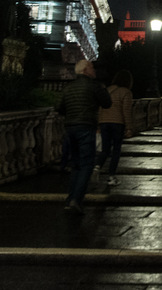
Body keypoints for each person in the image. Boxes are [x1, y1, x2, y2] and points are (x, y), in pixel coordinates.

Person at [55, 60, 112, 214]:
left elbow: (59, 107)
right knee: (87, 164)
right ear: (86, 70)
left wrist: (72, 114)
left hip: (70, 128)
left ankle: (71, 199)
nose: (94, 71)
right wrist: (104, 89)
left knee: (76, 164)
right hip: (86, 127)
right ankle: (76, 199)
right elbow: (107, 103)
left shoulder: (69, 87)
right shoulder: (94, 86)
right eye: (92, 68)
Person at [92, 70, 134, 186]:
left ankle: (96, 167)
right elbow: (126, 111)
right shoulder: (126, 92)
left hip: (104, 123)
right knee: (116, 150)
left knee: (105, 149)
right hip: (117, 123)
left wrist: (99, 124)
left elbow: (100, 107)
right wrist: (129, 127)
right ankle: (111, 176)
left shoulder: (108, 90)